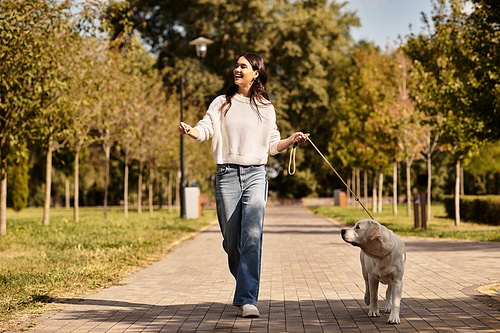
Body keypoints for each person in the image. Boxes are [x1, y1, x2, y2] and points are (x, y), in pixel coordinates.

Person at [179, 52, 308, 318]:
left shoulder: (266, 107)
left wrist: (292, 139)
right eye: (236, 65)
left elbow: (273, 145)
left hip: (256, 175)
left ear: (256, 73)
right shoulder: (221, 103)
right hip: (226, 174)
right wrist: (192, 131)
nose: (237, 69)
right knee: (231, 240)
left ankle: (248, 298)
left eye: (243, 66)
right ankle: (245, 284)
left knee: (252, 236)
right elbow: (207, 128)